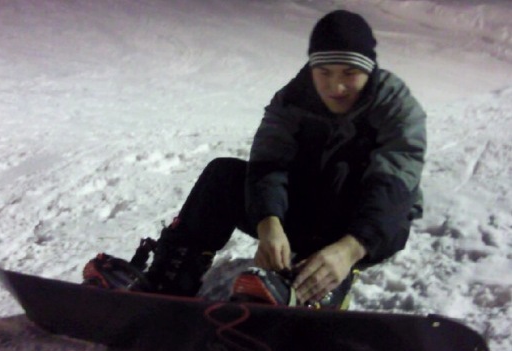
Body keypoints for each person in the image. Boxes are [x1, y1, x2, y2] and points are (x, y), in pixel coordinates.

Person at [84, 10, 426, 309]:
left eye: (349, 73)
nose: (336, 86)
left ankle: (319, 285)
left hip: (364, 227)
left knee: (346, 175)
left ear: (369, 69)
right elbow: (268, 163)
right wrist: (269, 222)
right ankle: (169, 280)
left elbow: (393, 187)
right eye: (325, 72)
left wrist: (350, 249)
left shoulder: (396, 106)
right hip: (306, 207)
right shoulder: (292, 99)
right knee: (223, 175)